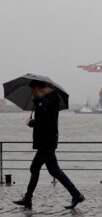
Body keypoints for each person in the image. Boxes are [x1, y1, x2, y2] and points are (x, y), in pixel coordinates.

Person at [13, 80, 85, 209]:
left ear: (39, 89)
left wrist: (31, 123)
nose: (32, 93)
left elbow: (43, 121)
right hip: (47, 141)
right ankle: (28, 198)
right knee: (36, 168)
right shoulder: (47, 100)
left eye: (33, 90)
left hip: (46, 142)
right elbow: (45, 119)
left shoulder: (46, 102)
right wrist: (37, 103)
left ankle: (76, 195)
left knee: (53, 170)